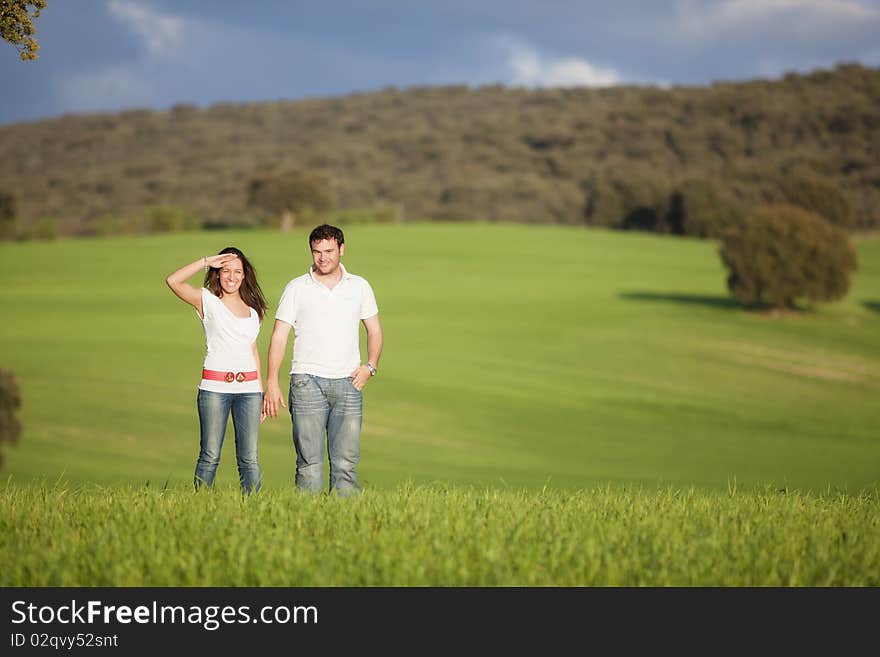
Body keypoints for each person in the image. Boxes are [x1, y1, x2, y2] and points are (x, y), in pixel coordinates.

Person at [263, 224, 383, 495]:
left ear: (341, 249)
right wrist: (271, 380)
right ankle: (308, 524)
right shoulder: (296, 287)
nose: (323, 258)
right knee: (309, 465)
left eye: (329, 251)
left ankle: (345, 526)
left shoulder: (360, 286)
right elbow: (279, 336)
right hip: (306, 382)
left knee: (345, 464)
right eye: (317, 252)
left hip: (349, 382)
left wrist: (370, 367)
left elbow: (374, 330)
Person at [165, 247, 268, 494]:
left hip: (249, 391)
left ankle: (254, 508)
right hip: (214, 389)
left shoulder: (254, 311)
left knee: (250, 459)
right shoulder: (206, 301)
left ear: (245, 276)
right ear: (217, 273)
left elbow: (252, 350)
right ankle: (201, 504)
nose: (231, 277)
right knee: (210, 455)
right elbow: (172, 281)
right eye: (226, 271)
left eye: (237, 271)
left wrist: (261, 392)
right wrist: (206, 261)